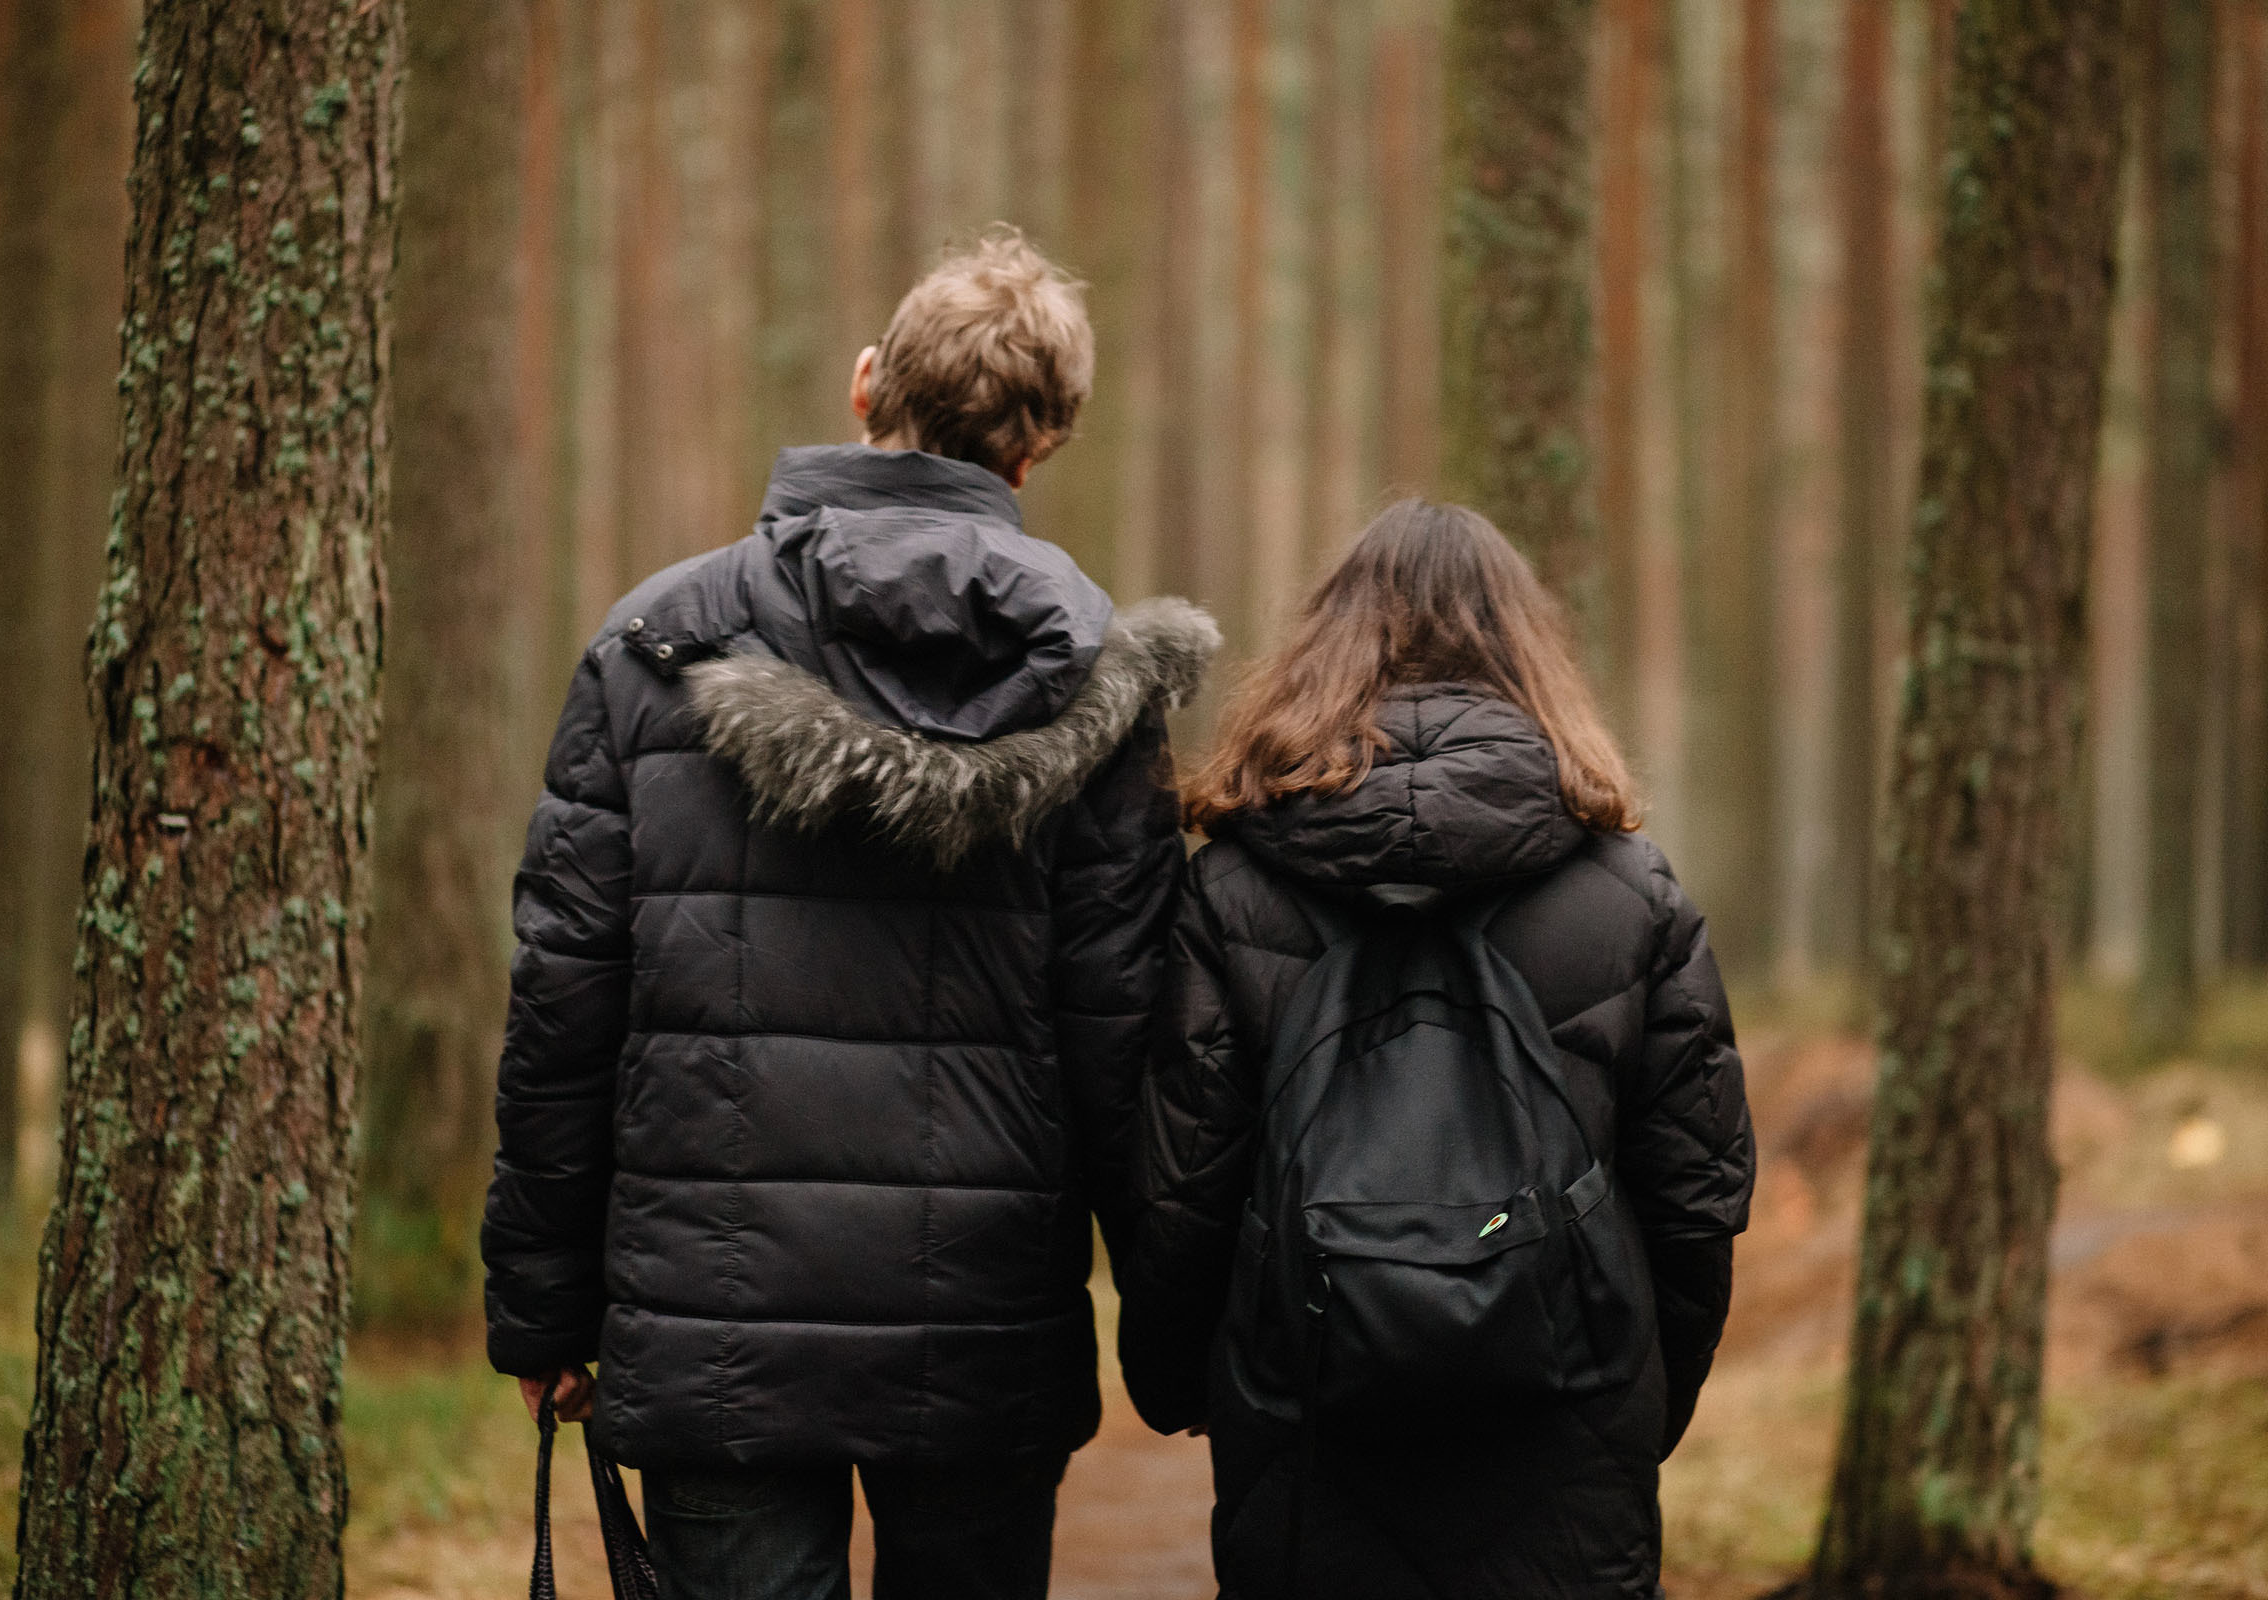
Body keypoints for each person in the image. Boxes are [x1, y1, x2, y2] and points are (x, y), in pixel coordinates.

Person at [482, 229, 1219, 1600]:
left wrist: (542, 1300)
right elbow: (1128, 1045)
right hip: (987, 1324)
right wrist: (1173, 1330)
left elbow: (566, 996)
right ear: (1036, 447)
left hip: (713, 1321)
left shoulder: (656, 644)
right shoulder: (1106, 687)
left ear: (867, 383)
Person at [1119, 499, 1755, 1600]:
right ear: (1528, 654)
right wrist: (1640, 1391)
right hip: (1566, 1427)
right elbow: (1694, 1192)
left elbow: (1185, 1186)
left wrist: (1191, 1380)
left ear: (1322, 649)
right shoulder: (1629, 893)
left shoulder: (1231, 889)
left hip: (1307, 1423)